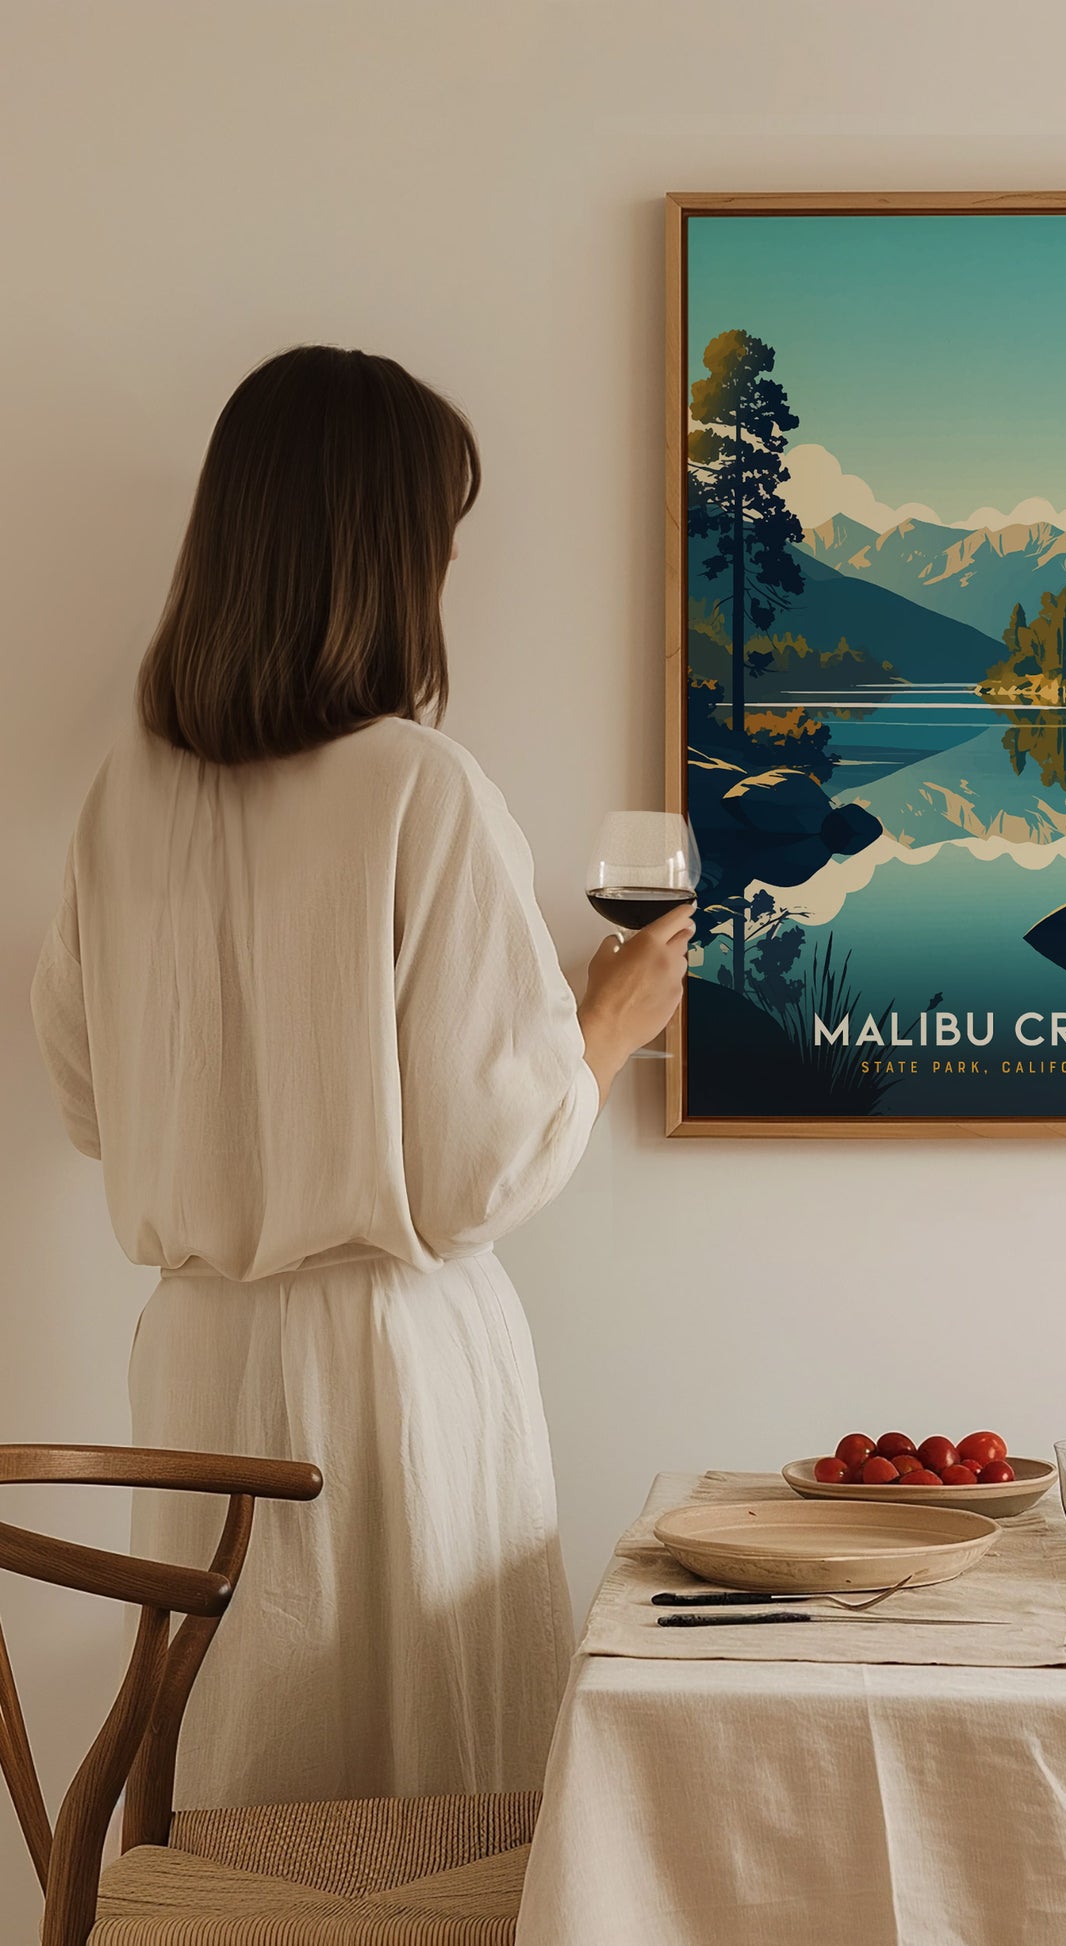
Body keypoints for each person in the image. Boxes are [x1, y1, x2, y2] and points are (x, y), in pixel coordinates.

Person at [29, 345, 690, 1806]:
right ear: (387, 553)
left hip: (197, 1363)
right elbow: (474, 1175)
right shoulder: (418, 786)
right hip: (390, 1371)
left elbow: (87, 1100)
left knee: (239, 1785)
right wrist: (606, 1023)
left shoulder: (124, 797)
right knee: (427, 1807)